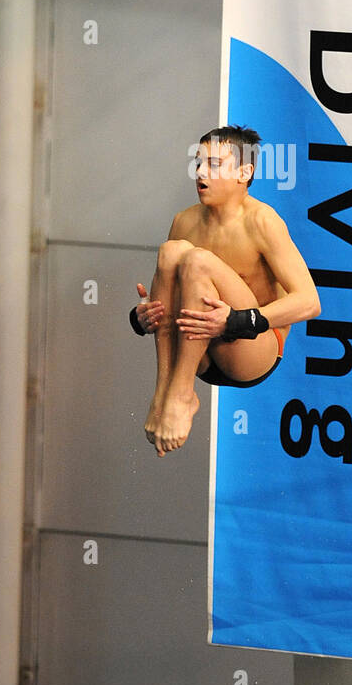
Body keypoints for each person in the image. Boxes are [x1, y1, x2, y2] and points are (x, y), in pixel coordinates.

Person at [129, 124, 321, 458]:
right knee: (172, 252)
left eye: (214, 165)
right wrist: (143, 315)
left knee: (198, 261)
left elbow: (309, 303)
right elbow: (166, 297)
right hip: (198, 352)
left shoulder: (263, 221)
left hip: (250, 349)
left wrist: (237, 321)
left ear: (244, 173)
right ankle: (166, 392)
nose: (200, 172)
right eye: (198, 163)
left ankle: (180, 393)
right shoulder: (184, 221)